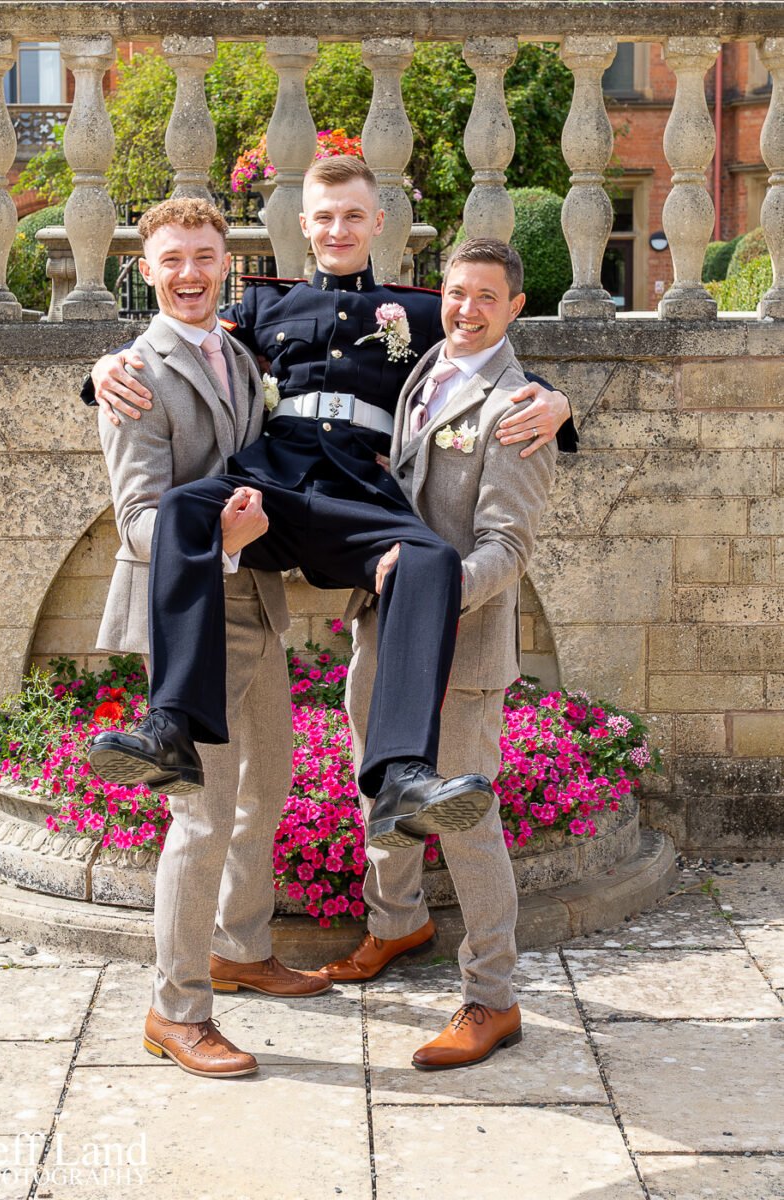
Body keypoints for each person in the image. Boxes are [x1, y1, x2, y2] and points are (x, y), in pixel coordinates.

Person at [87, 156, 577, 851]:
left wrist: (557, 401)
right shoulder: (261, 305)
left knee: (431, 560)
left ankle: (402, 773)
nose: (339, 228)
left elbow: (484, 354)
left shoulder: (419, 312)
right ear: (303, 225)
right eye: (325, 216)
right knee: (187, 508)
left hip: (360, 494)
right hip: (276, 487)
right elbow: (181, 334)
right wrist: (102, 368)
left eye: (353, 215)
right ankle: (170, 728)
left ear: (378, 223)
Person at [96, 196, 331, 1083]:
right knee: (198, 819)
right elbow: (138, 524)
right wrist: (220, 545)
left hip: (256, 602)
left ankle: (239, 947)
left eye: (204, 255)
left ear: (224, 262)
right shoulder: (133, 374)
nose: (190, 273)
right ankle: (175, 1008)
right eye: (172, 260)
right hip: (190, 614)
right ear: (144, 270)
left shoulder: (238, 351)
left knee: (263, 792)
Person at [321, 237, 557, 1071]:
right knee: (380, 786)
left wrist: (431, 594)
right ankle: (396, 926)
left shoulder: (521, 408)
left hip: (460, 643)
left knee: (465, 818)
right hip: (383, 631)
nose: (465, 309)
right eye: (456, 293)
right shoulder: (424, 366)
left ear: (515, 308)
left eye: (485, 297)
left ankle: (492, 998)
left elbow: (507, 547)